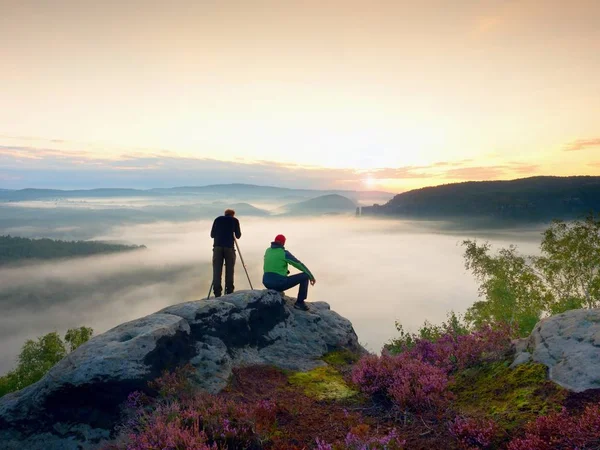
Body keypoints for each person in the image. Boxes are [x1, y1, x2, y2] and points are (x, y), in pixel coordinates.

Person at [262, 234, 316, 311]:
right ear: (283, 243)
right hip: (278, 283)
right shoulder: (284, 253)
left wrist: (284, 271)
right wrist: (311, 276)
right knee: (305, 276)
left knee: (283, 275)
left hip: (266, 282)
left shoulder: (268, 250)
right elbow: (298, 264)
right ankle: (300, 303)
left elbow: (269, 264)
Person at [210, 209, 241, 297]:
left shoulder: (217, 219)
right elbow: (238, 236)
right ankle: (229, 291)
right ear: (233, 215)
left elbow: (212, 235)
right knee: (229, 270)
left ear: (225, 214)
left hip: (217, 247)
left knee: (217, 270)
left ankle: (217, 293)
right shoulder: (235, 220)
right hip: (229, 248)